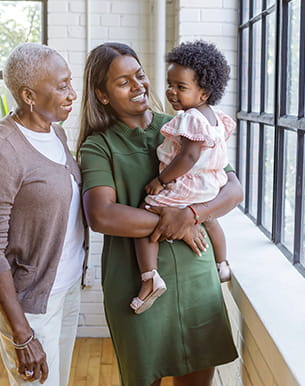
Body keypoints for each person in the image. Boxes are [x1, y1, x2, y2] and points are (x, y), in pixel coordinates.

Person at [77, 42, 242, 386]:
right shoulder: (98, 146)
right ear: (102, 95)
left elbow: (234, 190)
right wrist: (176, 224)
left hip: (197, 280)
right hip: (139, 285)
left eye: (139, 75)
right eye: (123, 82)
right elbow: (102, 215)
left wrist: (192, 213)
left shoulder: (184, 126)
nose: (139, 86)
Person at [0, 43, 87, 386]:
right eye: (62, 85)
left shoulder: (56, 133)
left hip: (65, 289)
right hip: (30, 304)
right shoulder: (1, 150)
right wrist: (21, 334)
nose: (73, 94)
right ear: (29, 95)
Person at [131, 40, 235, 314]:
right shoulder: (215, 117)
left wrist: (161, 180)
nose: (171, 92)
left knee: (146, 212)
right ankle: (222, 264)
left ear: (203, 93)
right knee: (210, 221)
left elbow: (187, 157)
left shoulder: (190, 118)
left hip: (188, 185)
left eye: (181, 87)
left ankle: (149, 276)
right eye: (170, 84)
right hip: (210, 185)